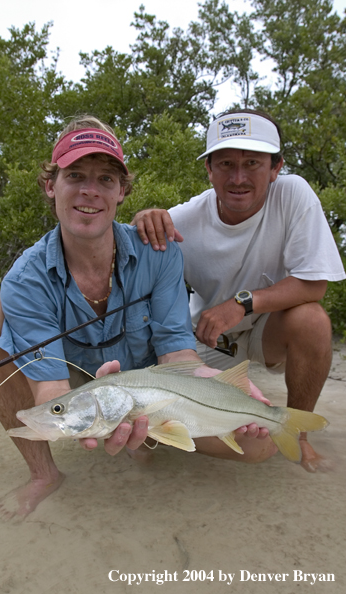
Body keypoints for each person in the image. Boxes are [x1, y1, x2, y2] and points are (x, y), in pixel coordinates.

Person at [0, 114, 273, 520]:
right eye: (75, 175)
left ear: (122, 191)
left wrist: (219, 385)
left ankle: (149, 444)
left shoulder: (158, 251)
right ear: (49, 185)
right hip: (77, 382)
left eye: (106, 179)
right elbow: (51, 390)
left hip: (153, 386)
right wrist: (71, 412)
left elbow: (177, 355)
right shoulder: (26, 278)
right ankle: (43, 473)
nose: (90, 191)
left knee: (260, 448)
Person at [132, 108, 346, 473]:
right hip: (209, 340)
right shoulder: (182, 221)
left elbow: (315, 282)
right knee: (160, 409)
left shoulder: (293, 194)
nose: (238, 178)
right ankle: (151, 438)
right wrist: (140, 221)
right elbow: (127, 264)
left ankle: (298, 436)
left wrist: (241, 304)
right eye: (226, 164)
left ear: (276, 168)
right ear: (209, 170)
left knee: (312, 320)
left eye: (252, 163)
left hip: (269, 330)